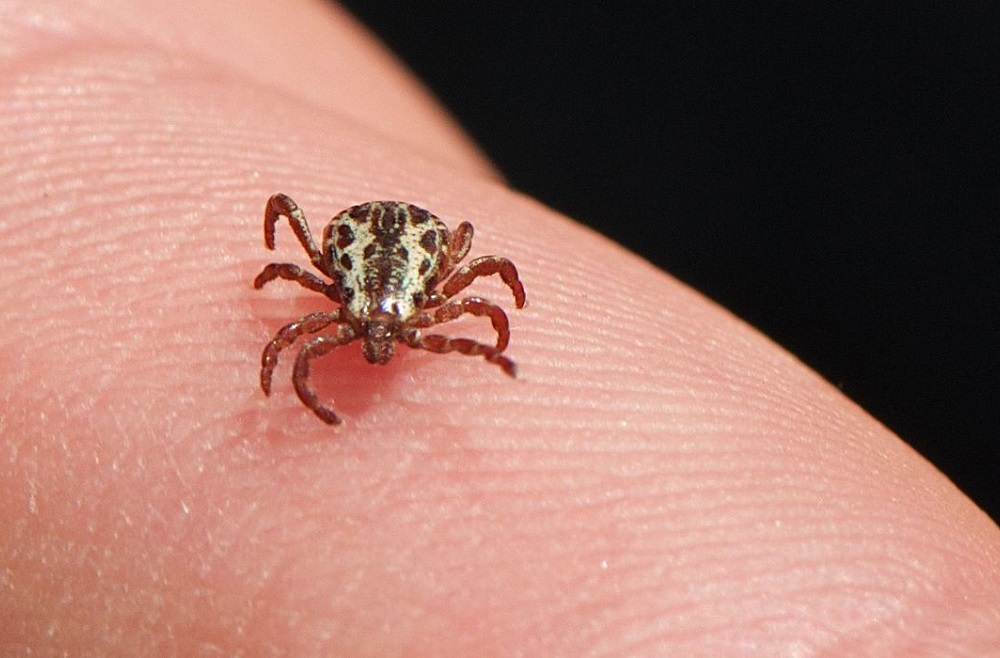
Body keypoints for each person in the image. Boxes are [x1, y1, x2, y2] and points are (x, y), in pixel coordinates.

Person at [1, 1, 998, 653]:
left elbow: (466, 282)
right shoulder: (361, 304)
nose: (378, 347)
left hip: (394, 247)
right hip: (385, 247)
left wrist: (483, 341)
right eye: (371, 335)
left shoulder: (412, 304)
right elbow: (342, 310)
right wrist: (339, 375)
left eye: (388, 336)